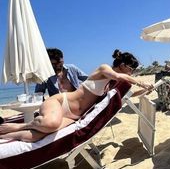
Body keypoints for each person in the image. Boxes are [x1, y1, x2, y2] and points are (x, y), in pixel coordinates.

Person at [0, 49, 154, 143]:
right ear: (122, 65)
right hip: (61, 102)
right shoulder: (104, 69)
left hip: (74, 115)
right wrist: (140, 82)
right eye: (131, 69)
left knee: (35, 137)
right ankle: (21, 125)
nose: (132, 73)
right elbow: (119, 76)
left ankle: (6, 133)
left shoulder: (111, 84)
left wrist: (147, 89)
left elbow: (130, 94)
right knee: (51, 124)